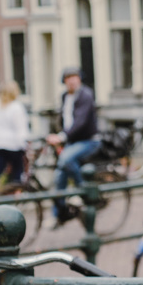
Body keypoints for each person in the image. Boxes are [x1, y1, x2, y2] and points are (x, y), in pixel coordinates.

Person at [46, 66, 99, 226]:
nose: (72, 80)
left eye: (75, 77)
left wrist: (62, 137)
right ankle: (58, 213)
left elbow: (80, 122)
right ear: (64, 81)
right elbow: (62, 119)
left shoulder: (86, 95)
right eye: (68, 78)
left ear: (80, 78)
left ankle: (83, 193)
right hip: (71, 141)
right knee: (59, 175)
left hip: (89, 140)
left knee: (65, 160)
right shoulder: (64, 97)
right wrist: (57, 135)